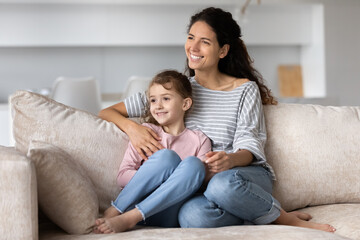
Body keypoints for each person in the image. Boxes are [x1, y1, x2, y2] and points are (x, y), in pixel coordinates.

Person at [98, 7, 335, 233]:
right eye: (191, 37)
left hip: (240, 175)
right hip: (197, 183)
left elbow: (250, 144)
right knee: (192, 217)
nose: (194, 47)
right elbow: (107, 112)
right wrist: (133, 129)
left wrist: (230, 160)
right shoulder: (177, 91)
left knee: (221, 185)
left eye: (205, 41)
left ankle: (284, 218)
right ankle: (257, 212)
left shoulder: (244, 90)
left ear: (222, 51)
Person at [94, 70, 212, 234]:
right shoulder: (146, 132)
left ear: (185, 104)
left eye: (166, 98)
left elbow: (200, 183)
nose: (158, 105)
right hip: (132, 204)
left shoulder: (200, 140)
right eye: (153, 100)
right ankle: (115, 210)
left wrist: (169, 183)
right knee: (167, 157)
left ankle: (130, 219)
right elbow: (122, 176)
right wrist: (159, 179)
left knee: (194, 164)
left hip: (170, 210)